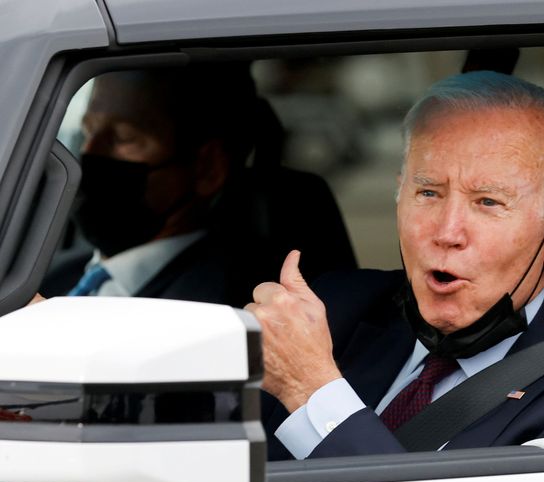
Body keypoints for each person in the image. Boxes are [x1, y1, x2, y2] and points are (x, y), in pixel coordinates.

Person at [248, 71, 544, 461]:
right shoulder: (335, 311)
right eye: (428, 193)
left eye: (487, 202)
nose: (447, 231)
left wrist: (315, 393)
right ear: (400, 195)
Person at [41, 66, 355, 306]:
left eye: (124, 139)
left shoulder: (221, 311)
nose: (89, 153)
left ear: (207, 169)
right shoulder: (46, 277)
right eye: (88, 131)